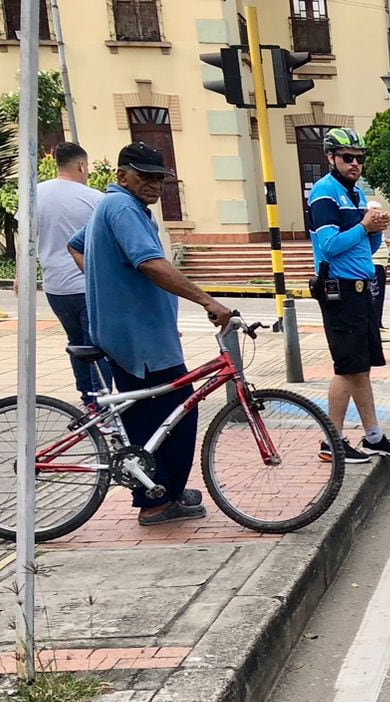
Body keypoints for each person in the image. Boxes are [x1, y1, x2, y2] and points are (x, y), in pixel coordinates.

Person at [65, 143, 233, 525]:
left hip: (142, 334)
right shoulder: (121, 206)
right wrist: (208, 301)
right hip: (137, 339)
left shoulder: (120, 208)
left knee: (161, 414)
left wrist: (108, 282)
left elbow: (76, 246)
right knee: (173, 415)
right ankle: (157, 500)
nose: (154, 184)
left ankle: (165, 490)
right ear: (122, 175)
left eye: (159, 178)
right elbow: (151, 265)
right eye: (145, 176)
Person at [306, 127, 390, 465]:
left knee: (361, 368)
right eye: (347, 158)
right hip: (340, 289)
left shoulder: (357, 193)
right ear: (331, 158)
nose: (355, 164)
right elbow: (330, 246)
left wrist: (375, 230)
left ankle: (374, 436)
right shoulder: (324, 193)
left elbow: (366, 246)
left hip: (361, 288)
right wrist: (364, 226)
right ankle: (330, 442)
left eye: (359, 159)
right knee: (347, 368)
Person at [36, 141, 111, 403]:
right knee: (98, 347)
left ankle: (87, 400)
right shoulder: (94, 198)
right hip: (87, 284)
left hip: (54, 287)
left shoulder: (34, 194)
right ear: (81, 165)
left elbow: (26, 237)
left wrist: (18, 277)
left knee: (76, 344)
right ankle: (102, 403)